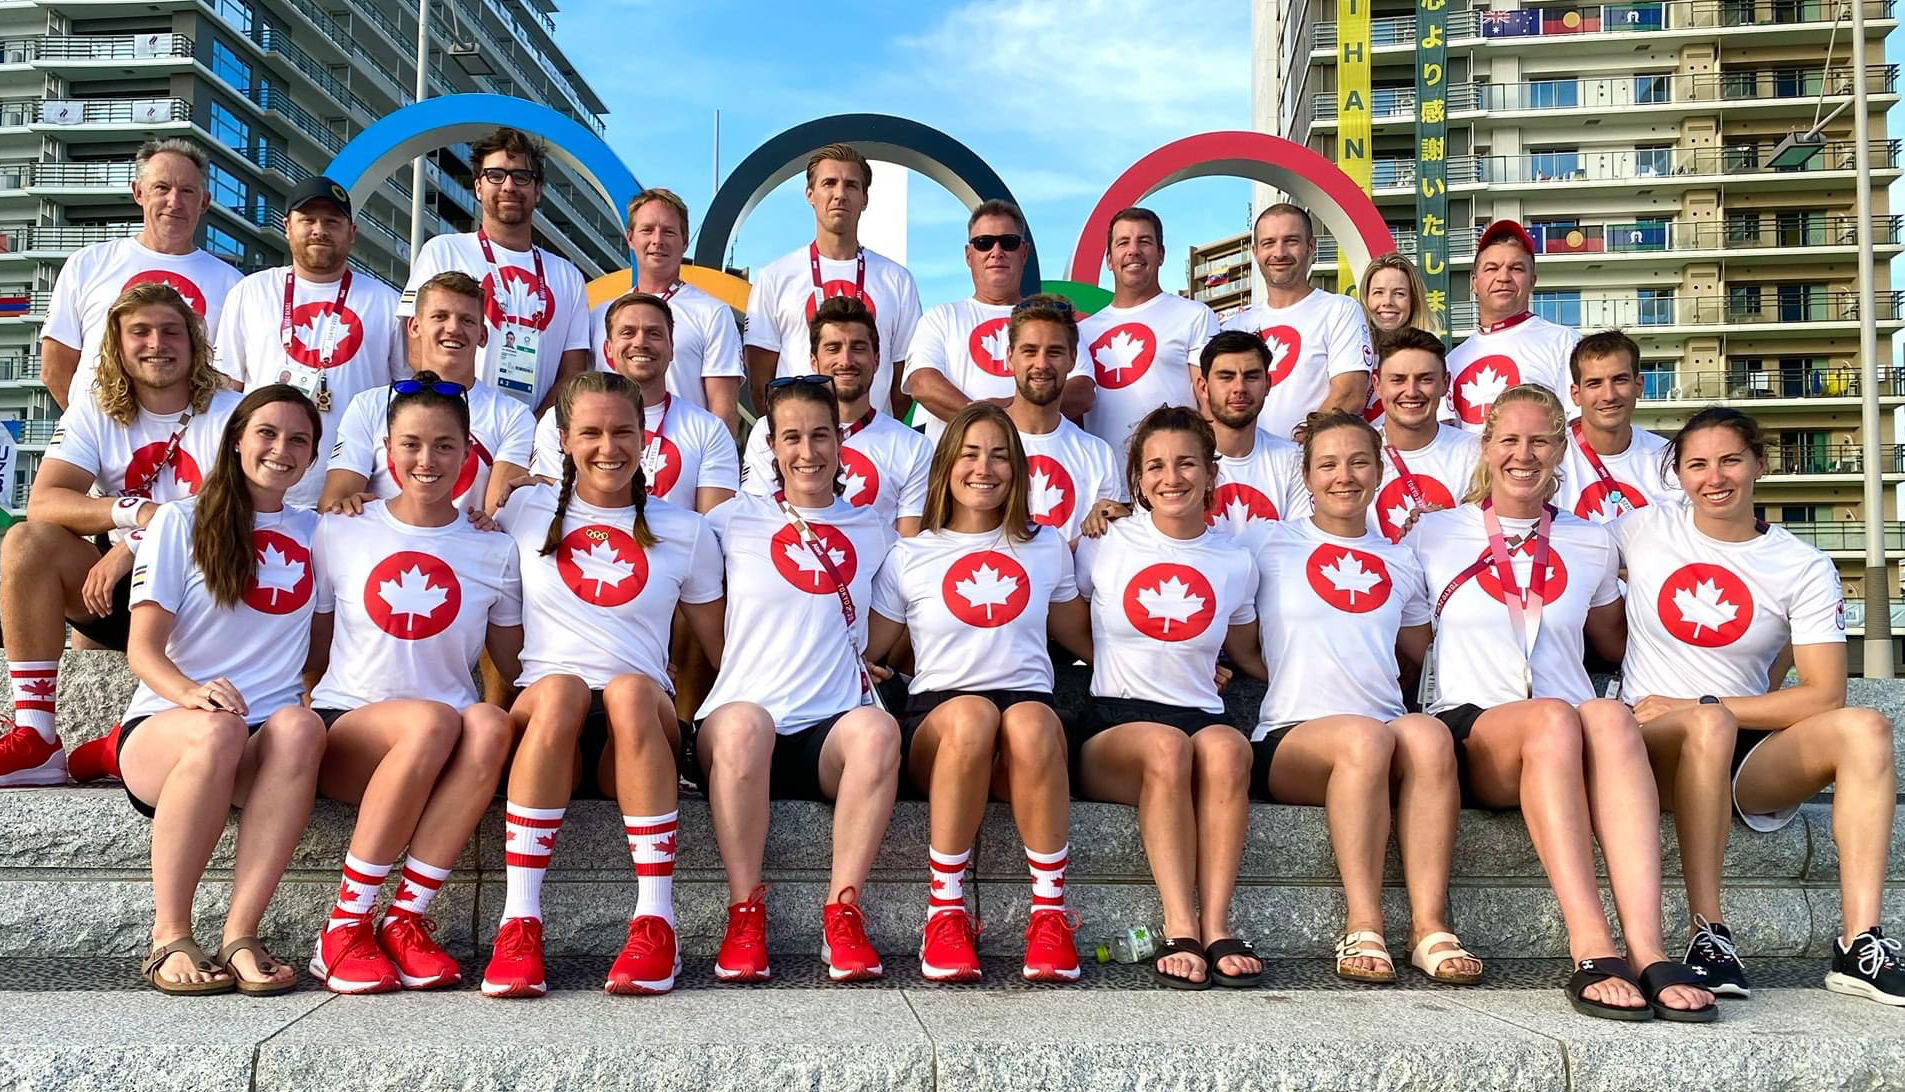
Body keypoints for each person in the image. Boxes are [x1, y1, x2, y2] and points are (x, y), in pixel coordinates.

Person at [1407, 383, 1715, 1022]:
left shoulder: (1592, 540)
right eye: (1509, 440)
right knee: (1554, 717)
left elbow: (1615, 642)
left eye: (1540, 441)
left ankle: (1649, 949)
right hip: (1476, 726)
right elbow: (1404, 640)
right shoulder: (1431, 533)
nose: (1524, 454)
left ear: (1560, 450)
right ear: (1486, 447)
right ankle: (1591, 943)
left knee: (1607, 714)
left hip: (1573, 726)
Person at [1616, 407, 1902, 1006]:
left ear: (1759, 465)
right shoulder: (1642, 529)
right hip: (1653, 740)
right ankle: (1708, 932)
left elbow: (1824, 694)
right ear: (1678, 474)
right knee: (1708, 722)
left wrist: (1699, 701)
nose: (1714, 477)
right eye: (1697, 464)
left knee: (1867, 727)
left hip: (1743, 744)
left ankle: (1860, 944)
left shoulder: (1802, 564)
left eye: (1730, 461)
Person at [484, 371, 727, 997]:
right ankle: (519, 922)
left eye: (623, 431)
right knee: (560, 688)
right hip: (546, 723)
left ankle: (656, 922)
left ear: (645, 438)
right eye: (590, 432)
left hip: (638, 729)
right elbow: (496, 629)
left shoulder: (686, 531)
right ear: (564, 439)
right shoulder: (521, 510)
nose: (608, 447)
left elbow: (722, 647)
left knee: (629, 688)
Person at [303, 375, 521, 994]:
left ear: (468, 451)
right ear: (387, 449)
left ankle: (405, 919)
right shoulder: (340, 528)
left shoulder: (494, 549)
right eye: (412, 444)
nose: (427, 460)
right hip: (351, 727)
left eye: (445, 445)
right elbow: (312, 641)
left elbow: (516, 662)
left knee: (490, 722)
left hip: (445, 743)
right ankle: (345, 925)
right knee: (433, 718)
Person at [864, 403, 1094, 982]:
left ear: (1017, 469)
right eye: (969, 454)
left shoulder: (1046, 547)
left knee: (1031, 722)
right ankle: (944, 912)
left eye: (998, 455)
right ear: (946, 466)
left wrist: (1196, 661)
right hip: (941, 725)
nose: (983, 468)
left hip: (1025, 727)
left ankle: (1049, 914)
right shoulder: (911, 555)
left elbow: (1089, 641)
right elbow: (866, 650)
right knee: (972, 716)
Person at [1250, 410, 1480, 985]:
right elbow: (1226, 622)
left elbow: (1421, 651)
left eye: (1358, 462)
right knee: (1363, 738)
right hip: (1293, 735)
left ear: (1379, 471)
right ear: (1307, 475)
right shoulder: (1267, 543)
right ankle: (1363, 922)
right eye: (1328, 464)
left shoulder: (1401, 557)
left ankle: (1428, 926)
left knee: (1428, 735)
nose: (1344, 476)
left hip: (1383, 725)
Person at [118, 385, 326, 995]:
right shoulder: (179, 521)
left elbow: (319, 650)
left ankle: (240, 935)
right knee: (218, 728)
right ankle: (169, 935)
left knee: (301, 725)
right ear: (236, 439)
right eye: (267, 433)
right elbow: (142, 651)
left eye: (299, 440)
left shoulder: (319, 532)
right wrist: (190, 693)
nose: (281, 449)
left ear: (313, 457)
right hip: (170, 731)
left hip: (260, 743)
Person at [694, 375, 902, 983]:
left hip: (825, 735)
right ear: (770, 447)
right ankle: (744, 915)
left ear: (840, 442)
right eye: (792, 437)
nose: (807, 452)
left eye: (820, 436)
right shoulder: (728, 521)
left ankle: (843, 916)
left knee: (878, 732)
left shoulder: (874, 529)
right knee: (746, 725)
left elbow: (894, 616)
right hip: (738, 724)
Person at [1, 283, 240, 785]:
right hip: (117, 595)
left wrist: (133, 543)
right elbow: (45, 501)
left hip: (210, 595)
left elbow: (236, 504)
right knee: (26, 542)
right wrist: (136, 513)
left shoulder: (231, 412)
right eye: (141, 332)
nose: (157, 343)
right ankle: (36, 735)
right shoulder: (95, 409)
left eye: (171, 331)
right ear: (117, 342)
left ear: (194, 342)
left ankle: (129, 740)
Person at [1071, 405, 1265, 990]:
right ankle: (1181, 926)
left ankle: (1217, 926)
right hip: (1117, 720)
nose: (1171, 477)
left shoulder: (1235, 559)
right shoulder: (1104, 540)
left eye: (1186, 463)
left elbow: (1247, 651)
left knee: (1229, 748)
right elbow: (1062, 618)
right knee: (1165, 748)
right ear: (1137, 478)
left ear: (1210, 473)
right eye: (1155, 466)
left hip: (1200, 715)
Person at [214, 176, 405, 508]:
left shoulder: (386, 301)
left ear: (352, 232)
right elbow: (227, 389)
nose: (319, 230)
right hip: (259, 488)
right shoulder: (251, 292)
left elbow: (402, 398)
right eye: (308, 220)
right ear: (287, 227)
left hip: (351, 494)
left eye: (332, 222)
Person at [400, 128, 590, 414]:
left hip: (533, 434)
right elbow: (415, 346)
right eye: (495, 175)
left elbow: (572, 372)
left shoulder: (568, 276)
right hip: (452, 422)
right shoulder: (443, 250)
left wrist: (529, 429)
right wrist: (454, 419)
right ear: (478, 187)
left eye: (521, 176)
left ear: (537, 190)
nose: (509, 186)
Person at [42, 138, 242, 409]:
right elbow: (55, 366)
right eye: (162, 188)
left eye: (187, 191)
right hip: (100, 428)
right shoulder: (87, 264)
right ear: (138, 192)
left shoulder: (234, 285)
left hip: (192, 432)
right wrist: (91, 424)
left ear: (204, 202)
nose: (174, 202)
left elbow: (233, 378)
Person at [322, 272, 534, 517]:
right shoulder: (368, 405)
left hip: (464, 542)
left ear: (483, 335)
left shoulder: (514, 416)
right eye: (440, 316)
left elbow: (499, 517)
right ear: (414, 326)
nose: (453, 328)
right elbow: (334, 505)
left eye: (466, 320)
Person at [744, 144, 922, 417]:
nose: (840, 194)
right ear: (810, 194)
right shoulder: (774, 277)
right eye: (829, 183)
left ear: (865, 199)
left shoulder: (897, 280)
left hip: (874, 434)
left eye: (851, 185)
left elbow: (903, 384)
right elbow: (760, 383)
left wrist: (869, 428)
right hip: (799, 434)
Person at [903, 201, 1091, 444]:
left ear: (1024, 252)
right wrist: (990, 421)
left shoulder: (1053, 319)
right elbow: (923, 384)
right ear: (968, 255)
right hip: (960, 463)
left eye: (1008, 242)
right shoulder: (940, 318)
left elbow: (1082, 391)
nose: (996, 251)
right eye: (984, 242)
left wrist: (1011, 410)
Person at [742, 297, 931, 536]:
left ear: (876, 360)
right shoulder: (768, 430)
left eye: (858, 348)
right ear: (814, 361)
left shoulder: (913, 447)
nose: (846, 361)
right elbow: (754, 522)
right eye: (833, 348)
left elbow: (908, 545)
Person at [536, 293, 736, 514]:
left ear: (671, 349)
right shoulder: (560, 418)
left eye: (654, 334)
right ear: (607, 348)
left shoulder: (709, 430)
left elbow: (714, 525)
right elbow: (549, 509)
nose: (640, 342)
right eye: (628, 333)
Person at [591, 188, 742, 432]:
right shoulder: (600, 316)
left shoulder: (712, 313)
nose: (657, 240)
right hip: (612, 448)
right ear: (630, 238)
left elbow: (722, 412)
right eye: (647, 230)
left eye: (669, 232)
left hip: (683, 450)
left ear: (685, 242)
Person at [1221, 204, 1374, 440]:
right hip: (1246, 458)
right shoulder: (1234, 326)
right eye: (1268, 243)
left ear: (1310, 246)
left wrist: (1296, 450)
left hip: (1312, 456)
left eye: (1291, 241)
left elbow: (1350, 393)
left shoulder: (1340, 310)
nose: (1279, 253)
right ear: (1255, 251)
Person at [1078, 208, 1221, 455]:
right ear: (1109, 260)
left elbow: (1209, 401)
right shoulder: (1083, 331)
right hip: (1106, 474)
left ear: (1161, 254)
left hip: (1174, 472)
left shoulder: (1194, 316)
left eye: (1144, 241)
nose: (1133, 250)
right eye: (1123, 242)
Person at [1004, 296, 1126, 544]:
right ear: (1010, 357)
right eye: (1030, 351)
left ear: (1072, 359)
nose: (1041, 364)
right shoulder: (975, 446)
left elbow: (1100, 549)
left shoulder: (1097, 453)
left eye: (1054, 352)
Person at [1443, 220, 1580, 431]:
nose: (1503, 277)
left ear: (1532, 281)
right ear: (1474, 282)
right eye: (1492, 268)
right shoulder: (1452, 360)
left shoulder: (1564, 342)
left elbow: (1579, 427)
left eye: (1516, 268)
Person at [1194, 331, 1308, 551]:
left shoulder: (1294, 460)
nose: (1239, 388)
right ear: (1203, 387)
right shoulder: (1174, 461)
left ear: (1268, 384)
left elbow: (1296, 547)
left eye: (1252, 376)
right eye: (1226, 377)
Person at [1557, 330, 1682, 523]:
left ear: (1639, 385)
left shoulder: (1670, 460)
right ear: (1576, 394)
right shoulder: (1551, 459)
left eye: (1620, 380)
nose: (1609, 395)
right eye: (1594, 383)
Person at [1369, 329, 1480, 543]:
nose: (1411, 391)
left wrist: (1452, 525)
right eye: (1398, 380)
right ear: (1377, 385)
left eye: (1425, 379)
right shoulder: (1354, 454)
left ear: (1445, 384)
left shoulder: (1476, 454)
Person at [1360, 252, 1439, 341]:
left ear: (1413, 300)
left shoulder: (1431, 349)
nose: (1387, 302)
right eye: (1378, 292)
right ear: (1366, 298)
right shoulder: (1350, 346)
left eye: (1399, 293)